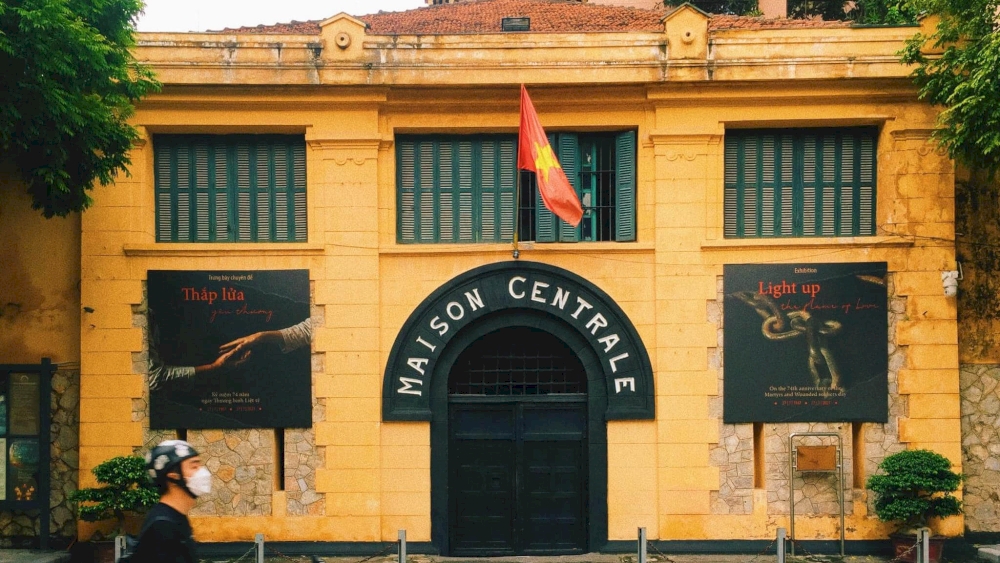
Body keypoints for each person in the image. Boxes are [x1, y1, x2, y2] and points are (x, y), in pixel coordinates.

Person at [131, 440, 212, 563]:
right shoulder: (163, 526)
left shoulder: (175, 517)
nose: (202, 472)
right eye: (194, 466)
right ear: (173, 475)